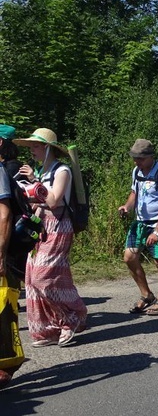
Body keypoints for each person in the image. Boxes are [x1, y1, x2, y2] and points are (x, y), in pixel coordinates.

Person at [15, 128, 87, 346]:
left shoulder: (62, 170)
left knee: (43, 277)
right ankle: (49, 328)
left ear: (47, 149)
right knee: (31, 279)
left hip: (58, 227)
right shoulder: (42, 171)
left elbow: (54, 200)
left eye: (36, 147)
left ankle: (73, 316)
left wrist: (34, 181)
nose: (32, 151)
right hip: (40, 226)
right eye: (31, 147)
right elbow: (39, 201)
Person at [118, 139, 158, 316]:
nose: (136, 162)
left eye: (140, 158)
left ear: (150, 157)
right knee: (129, 257)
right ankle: (146, 295)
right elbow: (134, 193)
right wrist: (127, 206)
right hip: (140, 222)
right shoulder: (137, 171)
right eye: (134, 158)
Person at [0, 124, 23, 388]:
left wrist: (2, 255)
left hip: (7, 249)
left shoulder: (6, 169)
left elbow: (5, 215)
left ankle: (8, 364)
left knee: (5, 308)